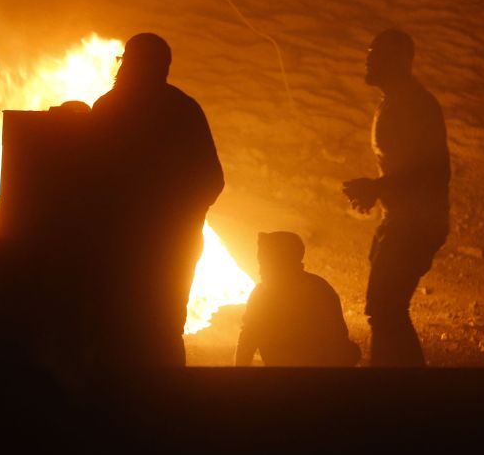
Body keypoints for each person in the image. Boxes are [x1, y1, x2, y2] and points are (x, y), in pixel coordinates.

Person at [86, 32, 224, 367]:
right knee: (162, 331)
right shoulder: (185, 109)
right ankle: (166, 403)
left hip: (119, 250)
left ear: (129, 64)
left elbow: (87, 182)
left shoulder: (107, 109)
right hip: (173, 246)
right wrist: (183, 219)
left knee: (116, 332)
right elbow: (212, 180)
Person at [343, 29, 450, 367]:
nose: (368, 58)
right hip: (404, 219)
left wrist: (378, 188)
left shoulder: (415, 106)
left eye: (376, 53)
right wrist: (379, 190)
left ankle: (399, 397)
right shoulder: (397, 102)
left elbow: (430, 171)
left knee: (385, 309)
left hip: (416, 222)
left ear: (399, 61)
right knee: (385, 309)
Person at [235, 232, 359, 367]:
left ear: (282, 262)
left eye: (265, 263)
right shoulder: (319, 288)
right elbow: (248, 337)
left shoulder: (265, 294)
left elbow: (248, 339)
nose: (260, 271)